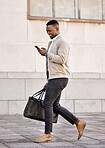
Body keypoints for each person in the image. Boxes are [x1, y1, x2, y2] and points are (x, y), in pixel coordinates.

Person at [34, 20, 86, 143]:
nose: (48, 33)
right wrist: (49, 80)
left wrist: (47, 54)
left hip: (60, 78)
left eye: (50, 31)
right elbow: (51, 64)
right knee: (55, 105)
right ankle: (78, 122)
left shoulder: (63, 43)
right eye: (47, 31)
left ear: (57, 29)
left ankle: (47, 134)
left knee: (47, 103)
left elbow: (62, 59)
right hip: (55, 78)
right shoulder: (51, 43)